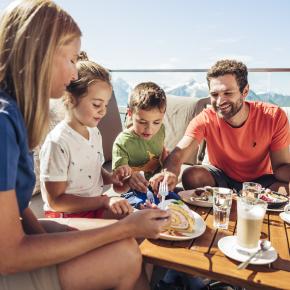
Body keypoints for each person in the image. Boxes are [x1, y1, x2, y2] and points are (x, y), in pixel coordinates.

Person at [0, 1, 170, 290]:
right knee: (127, 253)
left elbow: (14, 202)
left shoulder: (15, 114)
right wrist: (122, 225)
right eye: (70, 60)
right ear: (41, 54)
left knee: (128, 241)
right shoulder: (4, 123)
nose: (74, 75)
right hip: (8, 256)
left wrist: (44, 236)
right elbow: (8, 254)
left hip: (19, 232)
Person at [150, 59, 290, 195]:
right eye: (214, 94)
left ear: (245, 91)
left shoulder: (273, 116)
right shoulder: (205, 118)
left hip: (260, 183)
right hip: (220, 179)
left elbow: (280, 168)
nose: (220, 101)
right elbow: (178, 154)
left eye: (228, 93)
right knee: (192, 175)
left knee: (286, 189)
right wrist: (168, 173)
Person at [40, 52, 133, 219]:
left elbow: (93, 170)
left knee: (136, 216)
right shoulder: (58, 142)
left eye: (105, 104)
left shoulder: (93, 132)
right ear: (70, 98)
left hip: (93, 206)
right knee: (129, 226)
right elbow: (56, 202)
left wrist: (112, 178)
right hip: (66, 215)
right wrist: (103, 202)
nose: (103, 111)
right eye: (97, 104)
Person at [112, 82, 180, 208]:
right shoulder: (122, 143)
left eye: (156, 122)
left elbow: (162, 153)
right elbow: (117, 186)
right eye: (142, 121)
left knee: (177, 203)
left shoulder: (161, 130)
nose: (149, 129)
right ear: (130, 113)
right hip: (134, 192)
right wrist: (129, 179)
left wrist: (166, 170)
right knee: (143, 206)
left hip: (159, 188)